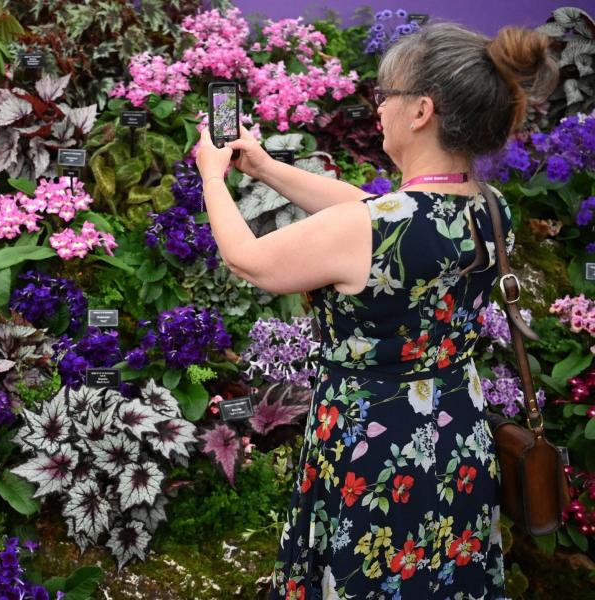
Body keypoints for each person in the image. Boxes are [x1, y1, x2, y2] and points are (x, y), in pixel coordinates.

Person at [195, 22, 557, 599]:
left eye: (385, 96)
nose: (379, 109)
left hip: (373, 443)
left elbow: (250, 261)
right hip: (456, 434)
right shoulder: (489, 209)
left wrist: (212, 175)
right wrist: (262, 166)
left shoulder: (374, 227)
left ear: (421, 111)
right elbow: (372, 207)